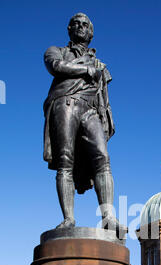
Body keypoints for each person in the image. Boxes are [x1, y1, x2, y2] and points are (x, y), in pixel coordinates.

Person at [43, 13, 124, 235]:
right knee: (65, 160)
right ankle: (68, 219)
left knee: (103, 159)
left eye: (85, 25)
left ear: (91, 32)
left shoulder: (100, 63)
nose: (80, 27)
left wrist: (106, 119)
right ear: (69, 29)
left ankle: (108, 217)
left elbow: (103, 98)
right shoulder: (56, 50)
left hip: (90, 110)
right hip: (66, 104)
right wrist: (87, 70)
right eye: (76, 24)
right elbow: (56, 67)